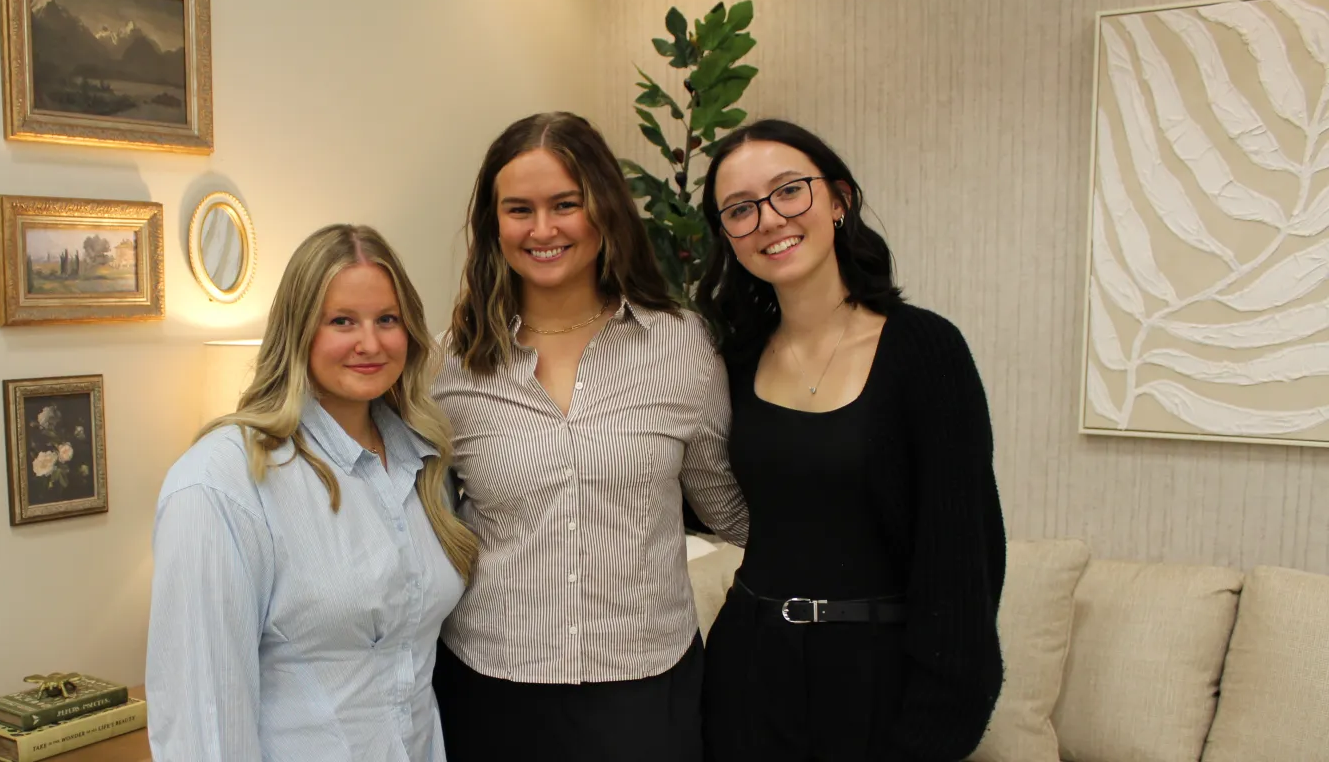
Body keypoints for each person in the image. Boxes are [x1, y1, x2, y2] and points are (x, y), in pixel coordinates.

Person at [432, 111, 749, 762]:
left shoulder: (681, 347)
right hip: (491, 688)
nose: (543, 229)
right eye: (519, 209)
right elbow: (416, 524)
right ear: (495, 225)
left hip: (645, 691)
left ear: (602, 210)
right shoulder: (450, 366)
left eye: (565, 205)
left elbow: (730, 510)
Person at [693, 118, 1006, 761]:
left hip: (876, 683)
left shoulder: (925, 350)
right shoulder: (733, 360)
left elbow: (964, 562)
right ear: (727, 235)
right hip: (748, 674)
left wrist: (933, 733)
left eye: (789, 192)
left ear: (838, 200)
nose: (770, 220)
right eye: (740, 209)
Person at [146, 224, 477, 762]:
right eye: (342, 321)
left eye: (386, 320)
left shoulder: (426, 463)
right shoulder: (222, 482)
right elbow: (202, 726)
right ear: (298, 330)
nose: (369, 343)